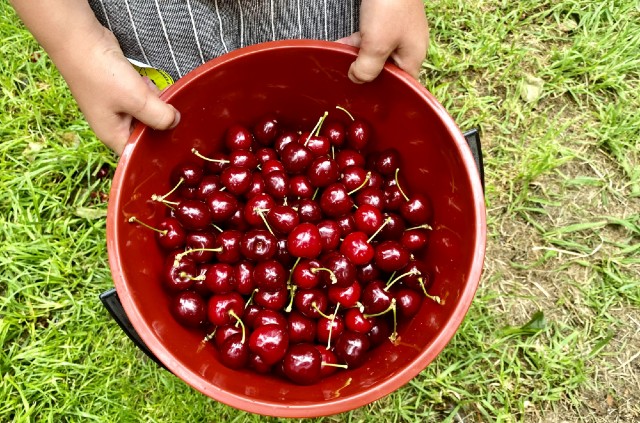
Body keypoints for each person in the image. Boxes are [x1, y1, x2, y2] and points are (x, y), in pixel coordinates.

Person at [10, 0, 429, 155]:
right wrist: (77, 43)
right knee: (191, 117)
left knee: (336, 93)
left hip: (318, 11)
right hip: (162, 18)